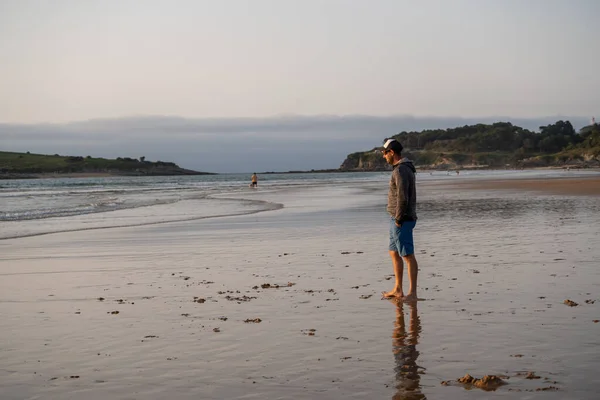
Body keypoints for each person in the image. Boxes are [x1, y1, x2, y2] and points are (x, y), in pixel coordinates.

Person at [381, 138, 419, 302]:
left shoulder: (401, 170)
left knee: (407, 255)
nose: (383, 156)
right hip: (396, 218)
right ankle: (398, 288)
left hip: (402, 219)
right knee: (393, 252)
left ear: (391, 152)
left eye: (384, 153)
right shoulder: (402, 168)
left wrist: (398, 219)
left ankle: (412, 293)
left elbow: (403, 197)